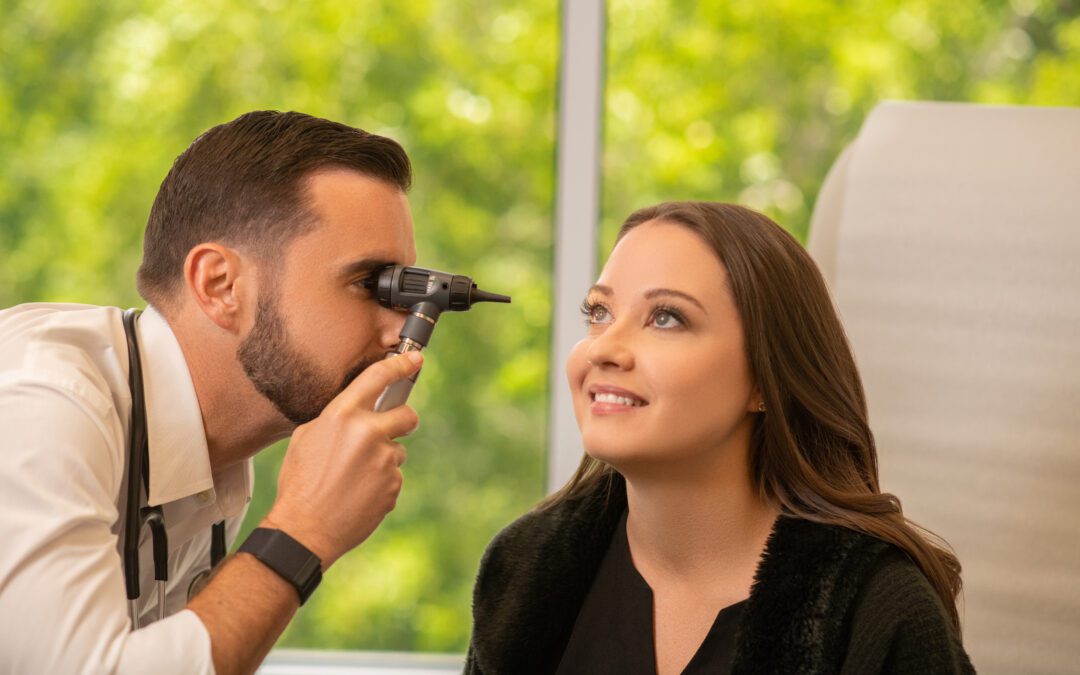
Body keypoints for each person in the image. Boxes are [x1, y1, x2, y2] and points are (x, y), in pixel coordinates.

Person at [466, 202, 975, 674]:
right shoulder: (524, 569)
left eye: (665, 318)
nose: (604, 349)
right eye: (600, 313)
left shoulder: (877, 608)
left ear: (764, 379)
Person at [0, 111, 425, 674]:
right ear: (220, 285)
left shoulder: (215, 464)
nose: (399, 332)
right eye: (368, 283)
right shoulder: (43, 400)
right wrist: (303, 528)